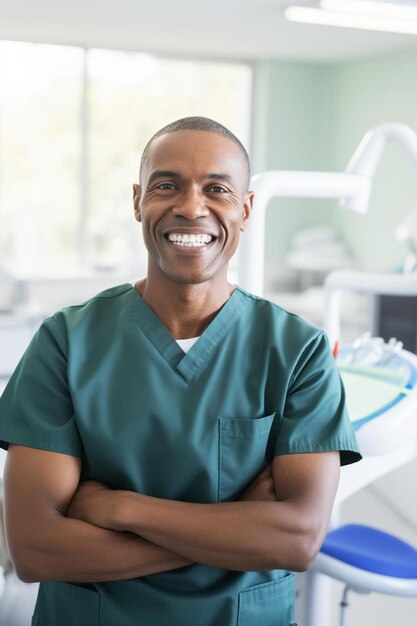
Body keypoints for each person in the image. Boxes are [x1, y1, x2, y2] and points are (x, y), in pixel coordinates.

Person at [0, 116, 361, 626]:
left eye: (217, 188)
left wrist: (122, 509)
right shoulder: (65, 342)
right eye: (166, 185)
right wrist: (237, 530)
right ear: (136, 201)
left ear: (246, 209)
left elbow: (297, 540)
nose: (191, 207)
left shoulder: (297, 351)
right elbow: (37, 550)